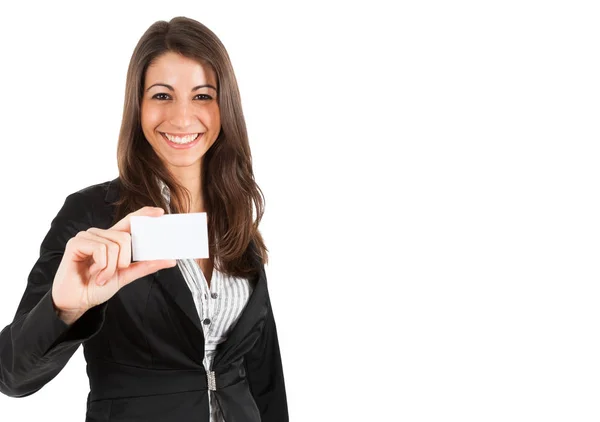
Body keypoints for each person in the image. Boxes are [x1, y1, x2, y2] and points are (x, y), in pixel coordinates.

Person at [0, 16, 288, 422]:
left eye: (203, 96)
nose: (183, 118)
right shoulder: (93, 216)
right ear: (138, 105)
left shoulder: (237, 218)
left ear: (225, 108)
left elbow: (265, 378)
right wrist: (63, 308)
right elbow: (13, 375)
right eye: (162, 96)